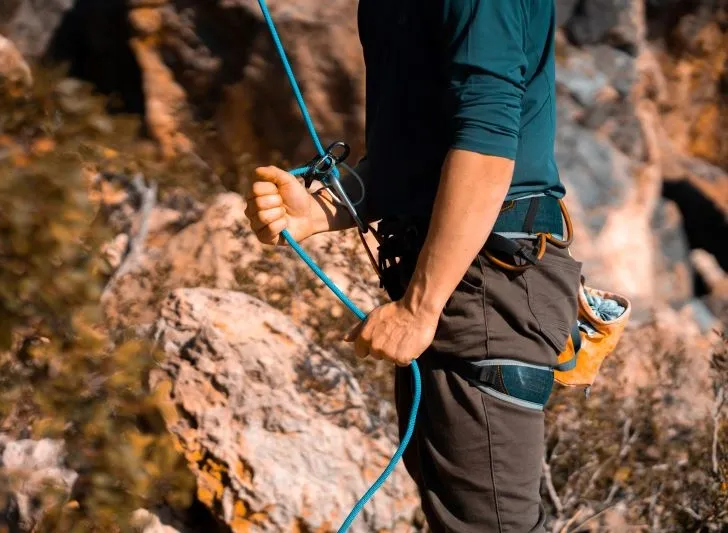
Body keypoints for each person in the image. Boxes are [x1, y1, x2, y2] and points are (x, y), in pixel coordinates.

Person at [244, 0, 582, 531]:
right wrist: (324, 206)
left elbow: (489, 140)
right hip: (454, 273)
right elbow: (415, 147)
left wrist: (421, 308)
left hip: (484, 279)